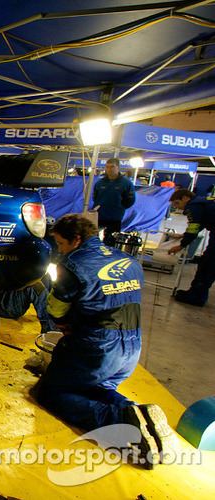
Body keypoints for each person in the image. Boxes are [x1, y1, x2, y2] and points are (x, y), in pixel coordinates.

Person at [32, 215, 174, 468]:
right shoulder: (129, 261)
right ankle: (138, 413)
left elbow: (55, 311)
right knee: (96, 388)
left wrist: (68, 328)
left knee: (50, 392)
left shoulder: (73, 265)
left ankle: (118, 417)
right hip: (131, 348)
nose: (60, 250)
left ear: (76, 239)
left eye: (62, 244)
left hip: (97, 348)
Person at [167, 189, 215, 306]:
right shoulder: (203, 202)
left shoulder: (193, 206)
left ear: (185, 198)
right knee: (207, 263)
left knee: (208, 265)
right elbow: (201, 224)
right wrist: (184, 235)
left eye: (177, 203)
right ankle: (196, 293)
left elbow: (193, 229)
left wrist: (181, 245)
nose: (178, 208)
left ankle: (197, 297)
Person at [92, 158, 136, 247]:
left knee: (110, 242)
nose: (109, 169)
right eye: (107, 167)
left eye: (112, 167)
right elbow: (95, 197)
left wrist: (119, 207)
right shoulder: (100, 183)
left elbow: (130, 200)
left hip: (115, 218)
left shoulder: (126, 183)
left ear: (118, 167)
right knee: (94, 241)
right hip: (99, 216)